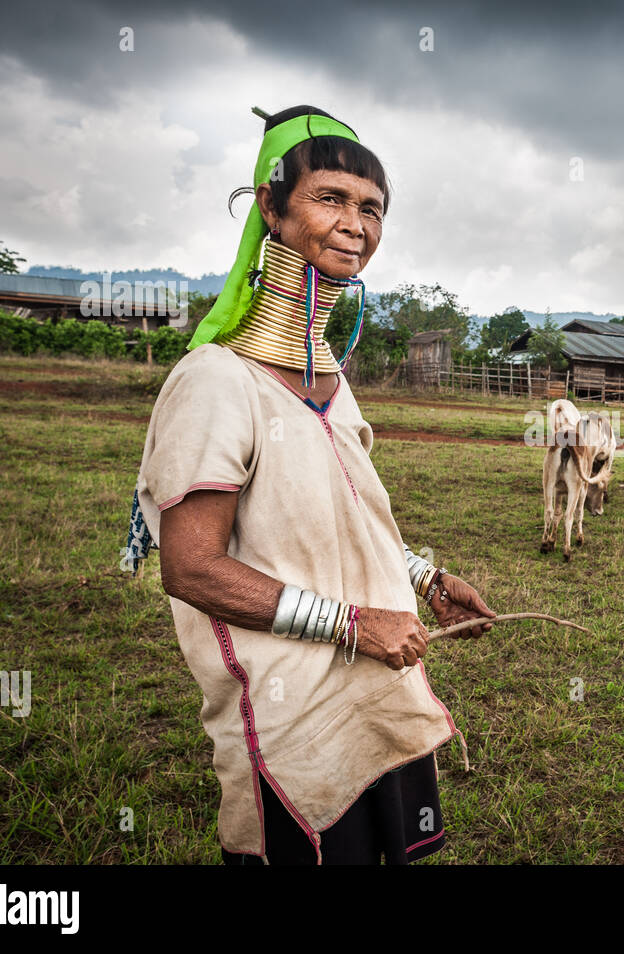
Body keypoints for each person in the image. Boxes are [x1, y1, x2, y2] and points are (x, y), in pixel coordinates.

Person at [126, 105, 495, 865]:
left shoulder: (328, 379)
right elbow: (190, 566)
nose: (355, 223)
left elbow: (339, 517)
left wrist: (423, 579)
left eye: (372, 208)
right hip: (290, 722)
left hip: (381, 698)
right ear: (270, 205)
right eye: (330, 198)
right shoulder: (215, 382)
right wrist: (354, 624)